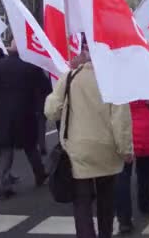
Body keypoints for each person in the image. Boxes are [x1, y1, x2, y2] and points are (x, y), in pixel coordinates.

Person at [44, 45, 133, 238]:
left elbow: (51, 111)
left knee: (81, 201)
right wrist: (126, 149)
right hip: (107, 148)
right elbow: (121, 121)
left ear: (85, 53)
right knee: (106, 199)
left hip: (77, 148)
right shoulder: (115, 80)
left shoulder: (70, 77)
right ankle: (105, 233)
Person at [0, 41, 49, 197]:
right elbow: (45, 88)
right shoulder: (32, 66)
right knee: (30, 147)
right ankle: (39, 174)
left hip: (3, 115)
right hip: (26, 113)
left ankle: (4, 183)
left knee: (5, 150)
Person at [116, 100, 149, 233]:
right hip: (147, 129)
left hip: (125, 130)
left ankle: (124, 220)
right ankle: (146, 205)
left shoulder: (117, 88)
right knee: (146, 173)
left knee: (122, 177)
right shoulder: (147, 84)